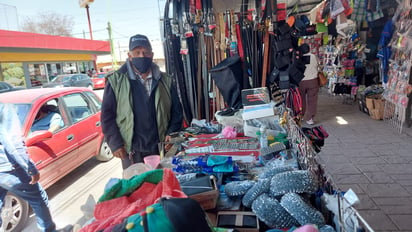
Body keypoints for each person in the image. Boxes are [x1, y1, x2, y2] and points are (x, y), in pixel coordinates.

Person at [101, 34, 183, 170]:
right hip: (131, 149)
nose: (142, 56)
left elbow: (177, 112)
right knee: (137, 187)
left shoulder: (166, 80)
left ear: (152, 54)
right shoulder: (115, 81)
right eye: (137, 52)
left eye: (145, 52)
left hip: (161, 146)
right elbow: (107, 116)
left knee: (163, 183)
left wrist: (172, 133)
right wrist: (115, 144)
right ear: (129, 55)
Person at [0, 103, 72, 232]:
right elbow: (13, 143)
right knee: (39, 199)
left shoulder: (53, 117)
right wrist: (30, 168)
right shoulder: (5, 108)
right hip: (8, 168)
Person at [298, 51, 320, 125]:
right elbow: (318, 66)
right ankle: (310, 119)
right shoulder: (314, 56)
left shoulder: (299, 57)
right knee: (312, 100)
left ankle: (301, 115)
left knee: (301, 100)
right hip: (313, 81)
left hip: (301, 81)